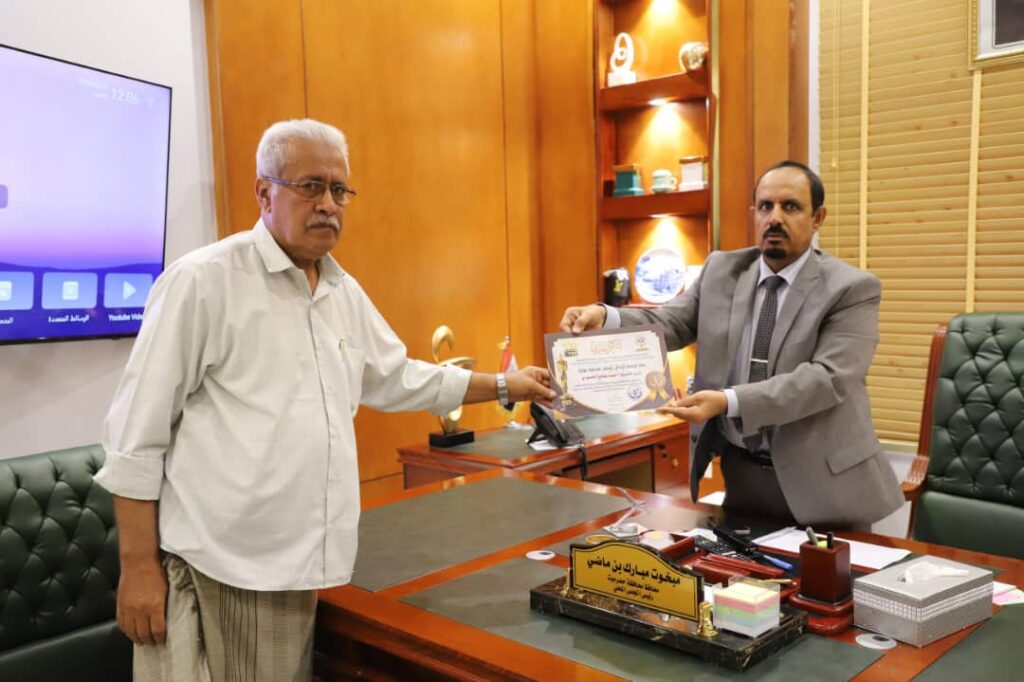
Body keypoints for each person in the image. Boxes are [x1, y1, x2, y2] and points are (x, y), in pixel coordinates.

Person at [96, 118, 555, 681]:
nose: (329, 205)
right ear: (264, 192)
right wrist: (139, 568)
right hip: (227, 567)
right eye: (311, 186)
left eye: (340, 190)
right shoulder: (203, 282)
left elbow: (395, 376)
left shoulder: (339, 290)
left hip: (301, 565)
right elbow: (135, 438)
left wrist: (505, 385)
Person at [560, 160, 902, 529]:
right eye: (765, 206)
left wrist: (728, 401)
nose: (774, 218)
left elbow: (826, 380)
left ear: (817, 217)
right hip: (744, 479)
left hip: (825, 487)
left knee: (826, 570)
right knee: (733, 567)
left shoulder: (851, 288)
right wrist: (606, 316)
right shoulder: (722, 270)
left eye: (790, 207)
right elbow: (672, 322)